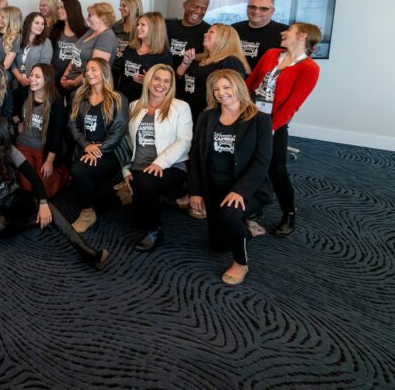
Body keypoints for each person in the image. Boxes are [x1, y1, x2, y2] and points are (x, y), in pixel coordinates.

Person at [0, 118, 109, 269]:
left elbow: (34, 178)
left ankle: (86, 250)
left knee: (46, 205)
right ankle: (32, 221)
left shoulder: (10, 150)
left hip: (11, 196)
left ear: (1, 137)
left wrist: (43, 204)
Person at [188, 69, 272, 285]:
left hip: (246, 189)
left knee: (230, 214)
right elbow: (196, 156)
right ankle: (247, 231)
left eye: (226, 87)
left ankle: (240, 263)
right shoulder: (207, 116)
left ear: (238, 87)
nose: (221, 93)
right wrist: (196, 190)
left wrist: (239, 191)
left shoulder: (259, 120)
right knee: (218, 245)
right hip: (214, 187)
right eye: (216, 89)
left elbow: (261, 162)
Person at [245, 22, 321, 236]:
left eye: (289, 31)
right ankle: (251, 209)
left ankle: (288, 212)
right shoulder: (271, 54)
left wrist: (271, 129)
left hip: (273, 123)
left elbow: (292, 105)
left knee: (276, 170)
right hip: (250, 114)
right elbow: (251, 83)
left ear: (302, 36)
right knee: (246, 163)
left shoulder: (309, 68)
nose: (283, 33)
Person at [122, 64, 192, 251]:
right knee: (135, 215)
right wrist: (125, 170)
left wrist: (159, 163)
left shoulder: (180, 107)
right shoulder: (134, 106)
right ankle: (154, 198)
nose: (161, 84)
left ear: (171, 85)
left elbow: (184, 141)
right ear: (149, 80)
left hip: (171, 167)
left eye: (166, 81)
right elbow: (126, 141)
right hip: (139, 167)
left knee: (143, 185)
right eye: (157, 79)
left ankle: (155, 230)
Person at [68, 58, 130, 234]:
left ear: (104, 72)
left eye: (94, 70)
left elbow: (118, 133)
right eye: (87, 70)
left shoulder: (119, 99)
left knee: (80, 171)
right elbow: (72, 126)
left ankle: (87, 214)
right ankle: (118, 196)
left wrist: (98, 150)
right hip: (86, 148)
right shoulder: (78, 96)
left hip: (111, 151)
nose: (89, 73)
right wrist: (87, 146)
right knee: (86, 191)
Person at [13, 64, 67, 198]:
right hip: (23, 146)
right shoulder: (23, 93)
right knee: (28, 190)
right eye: (31, 75)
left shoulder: (55, 100)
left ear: (47, 80)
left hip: (42, 149)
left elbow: (57, 134)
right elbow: (10, 110)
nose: (32, 79)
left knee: (44, 191)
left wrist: (49, 161)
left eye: (37, 76)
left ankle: (63, 173)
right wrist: (17, 121)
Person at [176, 24, 249, 120]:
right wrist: (186, 63)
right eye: (207, 32)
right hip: (186, 113)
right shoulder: (198, 58)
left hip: (210, 117)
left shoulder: (230, 61)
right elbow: (178, 79)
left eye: (211, 32)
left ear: (224, 37)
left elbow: (232, 96)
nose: (205, 34)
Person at [60, 2, 118, 94]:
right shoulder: (91, 31)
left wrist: (74, 83)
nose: (87, 18)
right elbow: (76, 54)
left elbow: (94, 69)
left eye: (90, 15)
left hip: (87, 88)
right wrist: (66, 75)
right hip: (73, 83)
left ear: (101, 17)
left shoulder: (106, 38)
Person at [116, 12, 173, 103]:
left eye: (143, 25)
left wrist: (150, 80)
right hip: (123, 99)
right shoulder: (130, 48)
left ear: (154, 29)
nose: (138, 28)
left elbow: (167, 85)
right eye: (138, 24)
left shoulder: (164, 56)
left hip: (145, 102)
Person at [233, 0, 288, 72]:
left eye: (263, 9)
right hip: (235, 82)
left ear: (272, 11)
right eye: (252, 7)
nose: (256, 11)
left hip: (266, 83)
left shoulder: (284, 32)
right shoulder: (233, 29)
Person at [51, 0, 87, 96]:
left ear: (71, 10)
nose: (59, 11)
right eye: (58, 8)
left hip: (76, 78)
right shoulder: (56, 29)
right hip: (56, 78)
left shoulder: (85, 32)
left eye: (62, 8)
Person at [166, 0, 210, 67]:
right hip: (165, 76)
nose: (198, 11)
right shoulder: (168, 27)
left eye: (203, 9)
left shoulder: (209, 32)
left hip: (190, 78)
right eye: (195, 6)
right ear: (185, 5)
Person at [10, 12, 53, 88]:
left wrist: (31, 80)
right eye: (37, 23)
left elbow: (44, 66)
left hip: (34, 84)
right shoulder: (18, 39)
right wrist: (19, 77)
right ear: (29, 24)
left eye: (42, 24)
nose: (40, 26)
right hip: (17, 82)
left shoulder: (46, 42)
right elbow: (12, 61)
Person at [112, 0, 144, 67]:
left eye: (124, 6)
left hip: (132, 69)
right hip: (114, 67)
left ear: (134, 7)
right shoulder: (116, 25)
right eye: (120, 5)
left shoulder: (143, 28)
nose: (120, 8)